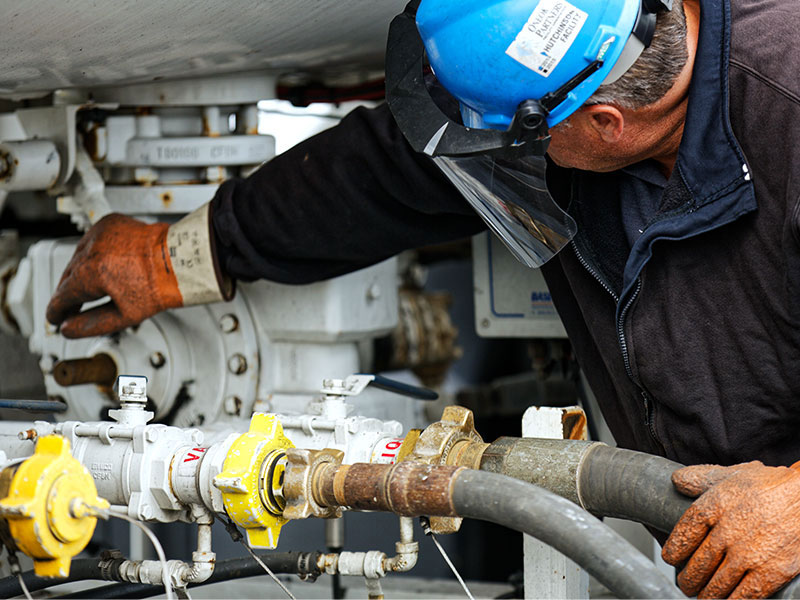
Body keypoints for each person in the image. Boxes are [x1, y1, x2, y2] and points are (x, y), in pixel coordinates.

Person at [45, 0, 800, 597]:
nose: (502, 158)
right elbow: (386, 173)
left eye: (512, 145)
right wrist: (177, 256)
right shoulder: (571, 95)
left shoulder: (786, 110)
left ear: (605, 125)